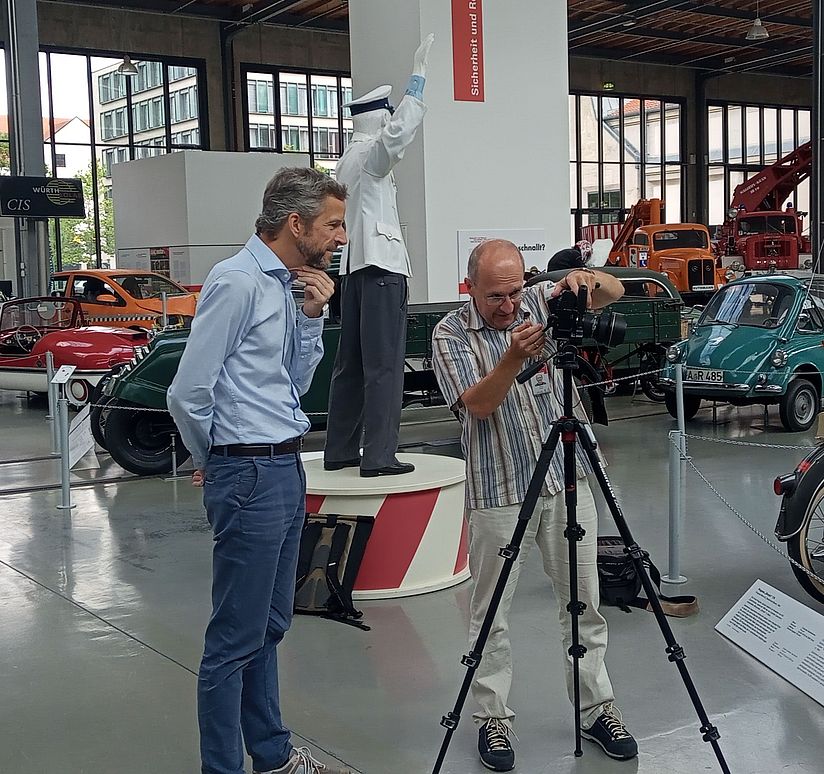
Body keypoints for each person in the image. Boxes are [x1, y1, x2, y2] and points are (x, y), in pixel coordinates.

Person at [167, 167, 351, 774]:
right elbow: (188, 392)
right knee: (233, 641)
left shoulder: (284, 286)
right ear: (295, 224)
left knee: (269, 625)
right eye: (333, 224)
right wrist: (212, 458)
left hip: (282, 467)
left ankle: (270, 754)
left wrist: (311, 318)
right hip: (248, 473)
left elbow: (289, 388)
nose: (341, 236)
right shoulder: (238, 281)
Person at [432, 239, 637, 772]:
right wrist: (512, 359)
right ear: (469, 288)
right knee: (491, 610)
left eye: (515, 291)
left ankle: (596, 709)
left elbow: (613, 290)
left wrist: (585, 280)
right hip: (499, 489)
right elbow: (476, 405)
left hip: (565, 479)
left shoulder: (542, 300)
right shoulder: (449, 334)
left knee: (584, 601)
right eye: (494, 296)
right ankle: (493, 718)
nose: (507, 305)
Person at [323, 34, 434, 478]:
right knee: (385, 366)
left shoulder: (346, 159)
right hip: (382, 268)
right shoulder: (371, 153)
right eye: (387, 114)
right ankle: (380, 456)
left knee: (349, 364)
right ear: (378, 118)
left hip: (353, 271)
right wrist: (418, 81)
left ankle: (341, 450)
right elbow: (397, 136)